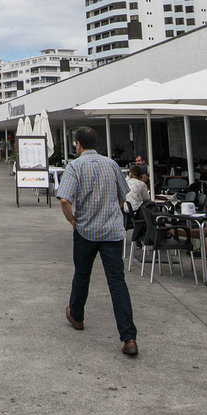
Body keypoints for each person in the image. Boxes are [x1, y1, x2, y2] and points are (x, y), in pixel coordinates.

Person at [56, 126, 137, 357]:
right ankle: (129, 337)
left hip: (86, 231)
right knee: (117, 282)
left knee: (82, 274)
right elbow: (123, 197)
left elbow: (64, 199)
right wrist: (110, 213)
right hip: (112, 232)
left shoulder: (74, 166)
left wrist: (72, 220)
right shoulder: (111, 165)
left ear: (78, 145)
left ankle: (77, 316)